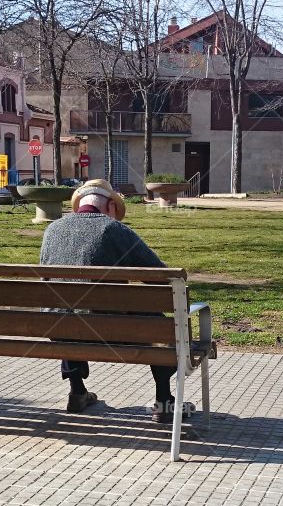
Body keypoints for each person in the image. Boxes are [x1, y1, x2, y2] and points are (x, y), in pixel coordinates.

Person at [39, 178, 188, 423]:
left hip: (59, 329)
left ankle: (77, 391)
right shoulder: (114, 230)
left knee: (66, 309)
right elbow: (161, 278)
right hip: (110, 330)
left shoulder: (52, 230)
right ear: (109, 206)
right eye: (115, 211)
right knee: (159, 326)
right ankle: (164, 400)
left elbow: (45, 278)